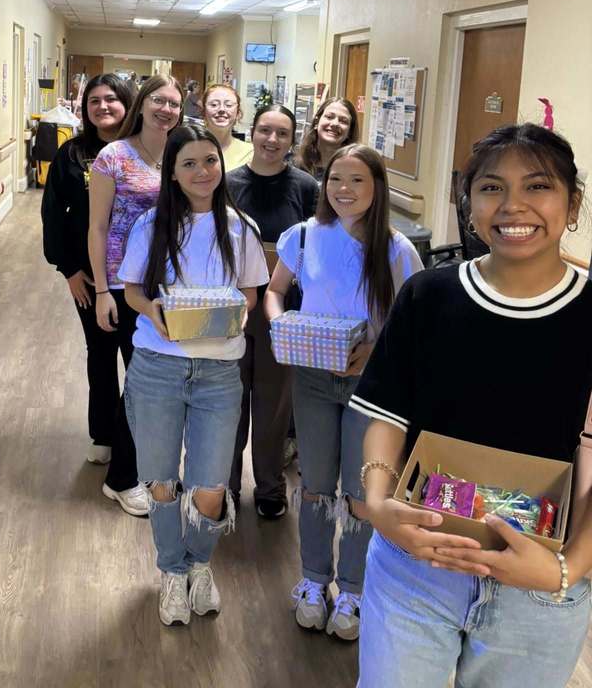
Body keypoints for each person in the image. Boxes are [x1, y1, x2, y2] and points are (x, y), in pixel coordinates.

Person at [352, 123, 592, 687]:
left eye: (538, 186)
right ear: (469, 202)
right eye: (490, 188)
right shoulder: (428, 295)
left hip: (540, 581)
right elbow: (388, 416)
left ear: (572, 202)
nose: (513, 206)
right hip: (417, 559)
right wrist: (380, 502)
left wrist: (565, 569)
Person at [265, 144, 423, 639]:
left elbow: (413, 322)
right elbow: (274, 292)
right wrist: (280, 327)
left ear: (377, 188)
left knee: (360, 493)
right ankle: (314, 581)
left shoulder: (397, 248)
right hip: (311, 376)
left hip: (370, 387)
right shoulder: (304, 237)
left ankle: (352, 590)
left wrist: (374, 349)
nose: (344, 190)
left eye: (357, 181)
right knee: (314, 485)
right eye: (336, 179)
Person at [119, 126, 268, 627]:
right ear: (173, 171)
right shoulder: (150, 225)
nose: (202, 171)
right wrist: (155, 310)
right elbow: (133, 291)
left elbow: (249, 294)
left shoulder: (240, 228)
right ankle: (171, 572)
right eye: (189, 163)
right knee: (160, 480)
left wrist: (229, 316)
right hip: (158, 364)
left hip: (219, 370)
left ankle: (200, 564)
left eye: (210, 160)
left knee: (209, 485)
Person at [88, 74, 183, 515]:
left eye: (175, 104)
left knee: (158, 382)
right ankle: (121, 478)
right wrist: (103, 289)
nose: (166, 109)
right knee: (141, 384)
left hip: (167, 284)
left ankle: (146, 467)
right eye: (159, 101)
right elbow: (98, 227)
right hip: (125, 286)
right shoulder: (113, 157)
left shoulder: (181, 153)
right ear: (142, 104)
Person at [226, 104, 319, 518]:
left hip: (283, 310)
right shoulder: (228, 184)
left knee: (274, 404)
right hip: (233, 306)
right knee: (230, 400)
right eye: (265, 130)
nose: (272, 140)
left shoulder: (305, 187)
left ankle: (269, 489)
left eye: (283, 133)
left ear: (292, 139)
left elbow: (318, 246)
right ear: (253, 132)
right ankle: (223, 487)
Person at [41, 74, 135, 480]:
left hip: (137, 277)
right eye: (94, 101)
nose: (102, 107)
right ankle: (104, 434)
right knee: (100, 354)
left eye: (111, 99)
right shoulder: (73, 153)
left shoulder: (142, 149)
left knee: (140, 360)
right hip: (89, 275)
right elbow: (52, 214)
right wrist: (69, 271)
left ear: (127, 103)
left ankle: (134, 437)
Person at [296, 96, 359, 181]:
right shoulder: (294, 165)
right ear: (316, 122)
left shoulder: (357, 172)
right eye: (329, 117)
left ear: (350, 132)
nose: (335, 123)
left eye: (343, 121)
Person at [202, 83, 253, 171]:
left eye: (228, 105)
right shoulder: (190, 148)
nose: (222, 109)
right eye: (214, 105)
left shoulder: (250, 153)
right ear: (203, 111)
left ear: (238, 113)